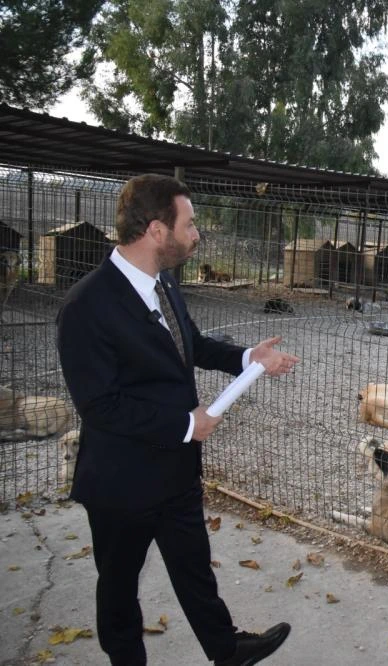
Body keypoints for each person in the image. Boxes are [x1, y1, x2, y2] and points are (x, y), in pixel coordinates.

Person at [57, 174, 301, 666]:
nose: (197, 235)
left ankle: (226, 648)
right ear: (155, 230)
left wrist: (248, 357)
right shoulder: (86, 306)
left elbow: (190, 345)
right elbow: (99, 405)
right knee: (119, 589)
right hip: (122, 482)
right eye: (189, 224)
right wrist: (185, 426)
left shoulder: (164, 282)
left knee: (194, 569)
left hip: (175, 472)